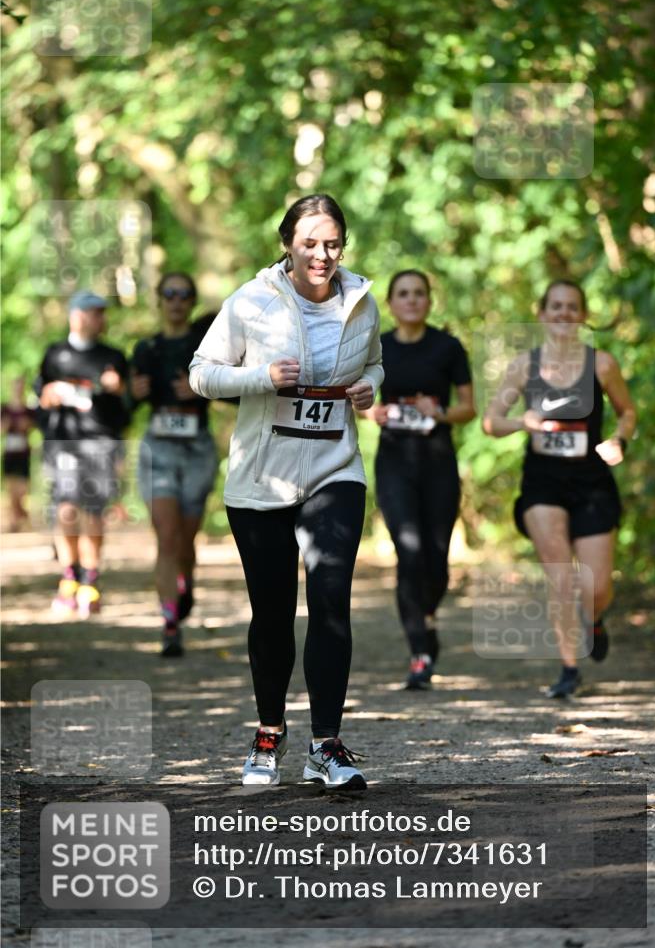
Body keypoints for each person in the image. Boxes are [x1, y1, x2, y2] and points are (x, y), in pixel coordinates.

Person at [189, 194, 383, 789]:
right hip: (261, 478)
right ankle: (269, 732)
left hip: (335, 468)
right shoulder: (250, 302)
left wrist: (368, 387)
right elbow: (202, 373)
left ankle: (327, 744)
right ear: (287, 245)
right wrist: (260, 377)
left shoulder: (362, 301)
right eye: (309, 244)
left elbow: (374, 363)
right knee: (272, 613)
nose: (321, 255)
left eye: (331, 244)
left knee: (330, 597)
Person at [483, 280, 636, 697]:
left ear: (583, 315)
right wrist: (522, 422)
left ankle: (596, 617)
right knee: (560, 576)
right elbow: (491, 422)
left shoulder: (601, 364)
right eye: (556, 306)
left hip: (591, 483)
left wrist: (619, 440)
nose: (564, 314)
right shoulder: (524, 366)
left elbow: (627, 412)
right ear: (543, 313)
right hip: (542, 483)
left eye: (572, 307)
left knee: (596, 587)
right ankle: (569, 669)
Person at [366, 270, 476, 689]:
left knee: (437, 557)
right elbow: (357, 397)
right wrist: (368, 412)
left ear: (429, 301)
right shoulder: (377, 347)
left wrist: (441, 413)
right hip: (394, 462)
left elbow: (469, 408)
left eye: (419, 294)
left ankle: (427, 617)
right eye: (403, 294)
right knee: (408, 551)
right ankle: (419, 652)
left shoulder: (447, 347)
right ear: (391, 303)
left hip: (437, 462)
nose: (411, 300)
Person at [130, 273, 219, 657]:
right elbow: (121, 409)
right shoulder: (146, 348)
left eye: (185, 295)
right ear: (160, 300)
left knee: (185, 540)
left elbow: (237, 390)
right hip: (159, 446)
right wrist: (132, 396)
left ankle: (187, 581)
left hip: (198, 446)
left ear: (192, 301)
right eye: (169, 293)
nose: (177, 301)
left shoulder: (208, 344)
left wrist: (201, 387)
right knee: (166, 536)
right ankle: (169, 624)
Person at [36, 291, 129, 617]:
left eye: (103, 313)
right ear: (76, 316)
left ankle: (90, 580)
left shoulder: (114, 356)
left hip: (101, 442)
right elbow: (41, 397)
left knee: (93, 511)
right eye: (94, 312)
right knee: (65, 509)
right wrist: (48, 396)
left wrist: (118, 389)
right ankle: (69, 575)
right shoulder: (55, 355)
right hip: (64, 442)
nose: (101, 318)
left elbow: (126, 406)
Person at [1, 377, 36, 532]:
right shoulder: (4, 409)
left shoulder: (29, 410)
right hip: (9, 453)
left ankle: (21, 516)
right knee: (11, 490)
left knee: (22, 491)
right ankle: (15, 520)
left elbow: (34, 427)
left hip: (23, 453)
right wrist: (6, 425)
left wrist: (26, 425)